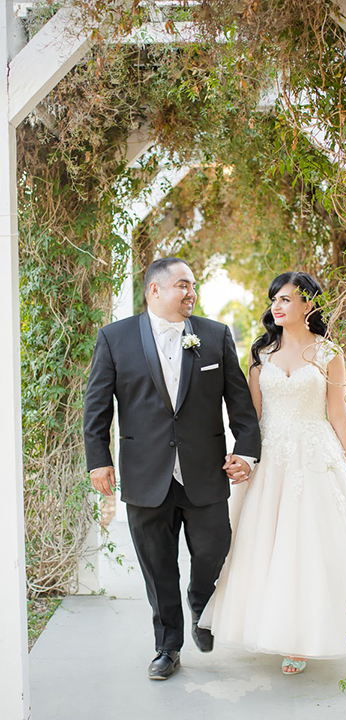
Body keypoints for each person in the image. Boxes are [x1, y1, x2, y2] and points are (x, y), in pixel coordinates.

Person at [83, 257, 261, 681]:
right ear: (155, 290)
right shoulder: (114, 338)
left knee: (214, 549)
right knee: (157, 566)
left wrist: (247, 453)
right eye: (182, 285)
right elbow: (97, 405)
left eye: (193, 285)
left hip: (205, 471)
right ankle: (167, 646)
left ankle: (200, 602)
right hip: (146, 475)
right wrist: (99, 458)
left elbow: (240, 405)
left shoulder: (215, 336)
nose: (191, 293)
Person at [199, 271, 346, 675]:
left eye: (287, 299)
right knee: (267, 546)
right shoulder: (261, 356)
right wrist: (243, 458)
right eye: (274, 299)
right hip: (273, 459)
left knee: (308, 545)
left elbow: (338, 413)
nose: (276, 306)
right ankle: (269, 627)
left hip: (316, 458)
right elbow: (251, 418)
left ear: (308, 305)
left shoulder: (329, 353)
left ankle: (302, 638)